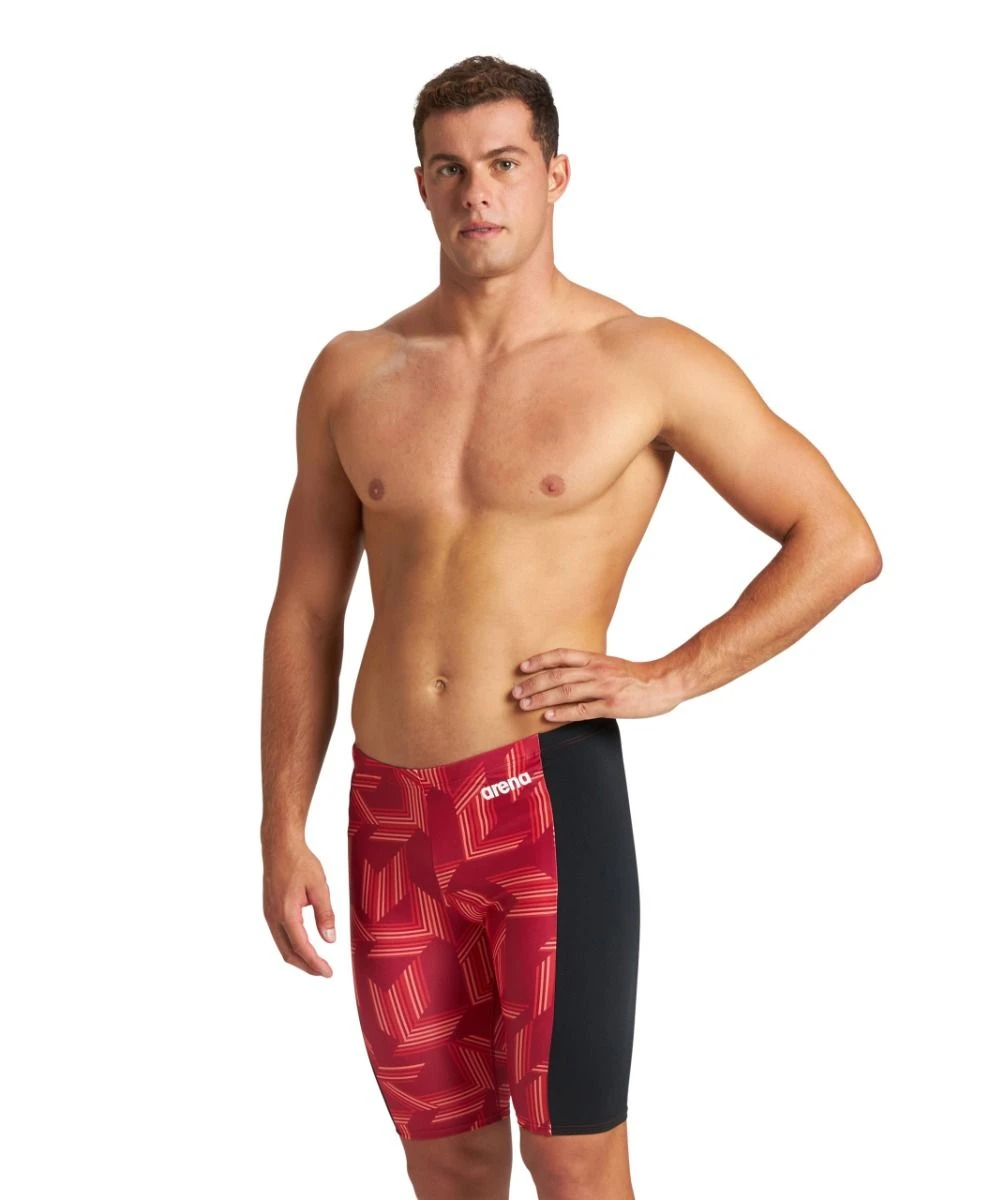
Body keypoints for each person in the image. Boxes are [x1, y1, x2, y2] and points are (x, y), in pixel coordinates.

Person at [260, 53, 882, 1200]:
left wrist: (674, 675)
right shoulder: (353, 374)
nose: (477, 193)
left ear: (555, 174)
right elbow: (305, 607)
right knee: (445, 1166)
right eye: (450, 169)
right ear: (420, 185)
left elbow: (838, 538)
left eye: (503, 164)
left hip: (542, 805)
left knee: (576, 1164)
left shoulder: (642, 361)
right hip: (390, 816)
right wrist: (279, 825)